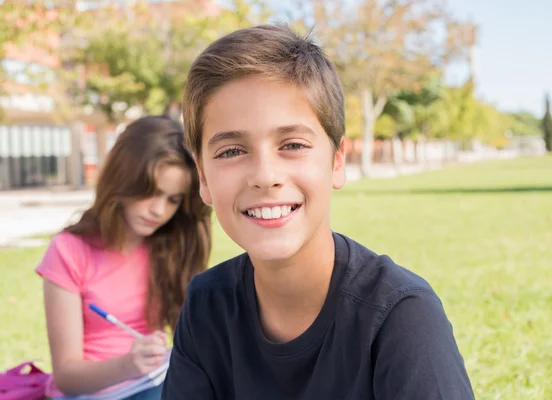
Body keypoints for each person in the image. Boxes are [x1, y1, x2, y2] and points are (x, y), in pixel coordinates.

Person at [162, 24, 475, 399]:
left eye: (292, 144)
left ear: (337, 160)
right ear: (204, 178)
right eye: (231, 151)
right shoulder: (206, 306)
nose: (265, 176)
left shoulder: (401, 316)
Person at [36, 116, 212, 399]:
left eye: (173, 200)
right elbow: (66, 377)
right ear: (124, 179)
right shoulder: (69, 251)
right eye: (151, 192)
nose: (159, 210)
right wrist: (129, 365)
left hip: (154, 382)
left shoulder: (169, 247)